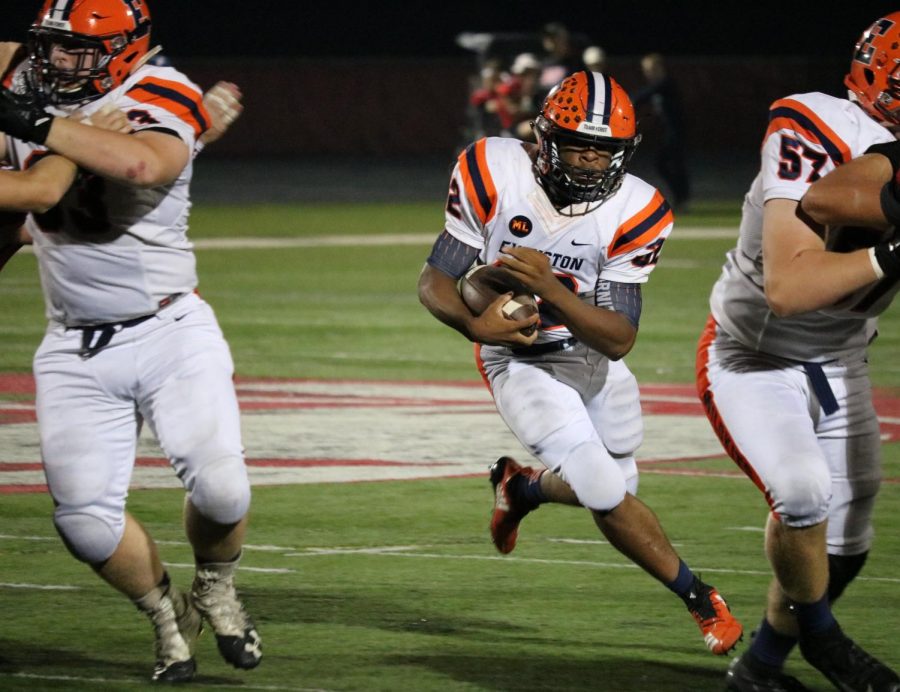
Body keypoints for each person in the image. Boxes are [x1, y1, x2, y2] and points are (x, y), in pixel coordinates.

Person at [417, 70, 744, 660]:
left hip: (593, 356)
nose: (593, 161)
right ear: (545, 137)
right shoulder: (493, 170)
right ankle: (701, 597)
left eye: (606, 149)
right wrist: (474, 324)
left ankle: (523, 489)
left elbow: (619, 338)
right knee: (600, 484)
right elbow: (436, 279)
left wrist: (554, 289)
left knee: (622, 483)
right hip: (519, 361)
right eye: (580, 145)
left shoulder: (639, 208)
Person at [0, 0, 260, 682]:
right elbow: (31, 198)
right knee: (83, 522)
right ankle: (164, 613)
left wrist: (40, 122)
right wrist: (49, 120)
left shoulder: (159, 88)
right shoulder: (33, 89)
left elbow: (142, 165)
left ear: (124, 50)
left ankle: (215, 583)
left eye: (79, 51)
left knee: (224, 488)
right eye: (51, 47)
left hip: (169, 325)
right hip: (71, 343)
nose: (59, 62)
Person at [695, 13, 900, 692]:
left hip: (841, 357)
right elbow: (789, 287)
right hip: (753, 354)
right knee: (803, 491)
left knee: (849, 538)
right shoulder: (816, 123)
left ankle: (759, 670)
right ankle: (823, 638)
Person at [632, 53, 691, 212]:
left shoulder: (666, 83)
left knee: (670, 164)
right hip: (670, 131)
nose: (648, 73)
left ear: (659, 68)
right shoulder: (660, 86)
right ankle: (681, 197)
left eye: (650, 69)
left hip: (676, 131)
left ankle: (682, 197)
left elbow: (643, 96)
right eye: (646, 70)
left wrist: (628, 103)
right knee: (667, 164)